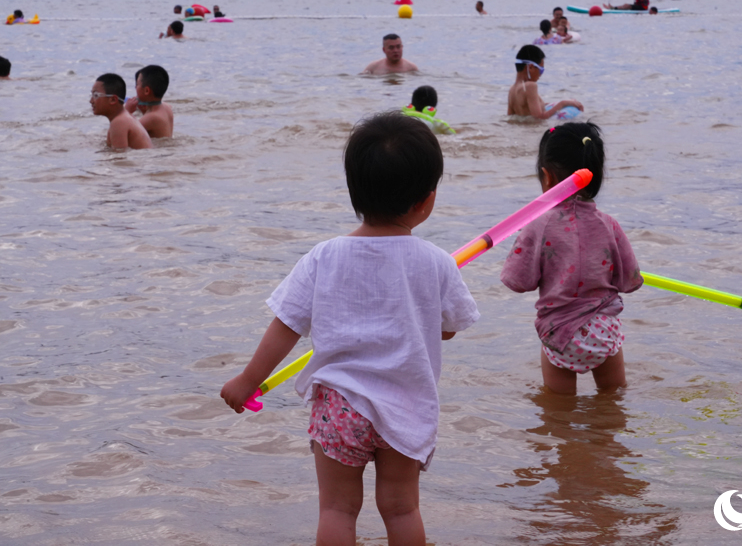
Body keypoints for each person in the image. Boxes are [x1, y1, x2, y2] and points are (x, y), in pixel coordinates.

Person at [221, 112, 480, 545]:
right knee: (402, 508)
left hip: (340, 406)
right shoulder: (436, 262)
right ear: (427, 199)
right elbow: (450, 328)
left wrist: (249, 380)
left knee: (337, 509)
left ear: (353, 190)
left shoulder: (324, 256)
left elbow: (286, 324)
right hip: (406, 407)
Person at [500, 122, 642, 394]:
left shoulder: (538, 225)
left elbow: (517, 281)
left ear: (547, 176)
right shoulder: (609, 225)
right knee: (613, 397)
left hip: (560, 333)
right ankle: (608, 422)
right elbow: (631, 281)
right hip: (603, 330)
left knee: (558, 407)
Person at [507, 45, 584, 120]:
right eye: (541, 70)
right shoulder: (530, 86)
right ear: (530, 67)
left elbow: (510, 117)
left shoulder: (512, 89)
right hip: (535, 128)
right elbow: (539, 117)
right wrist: (562, 103)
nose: (540, 74)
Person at [90, 73, 152, 150]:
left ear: (113, 100)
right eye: (92, 95)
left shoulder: (119, 122)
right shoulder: (124, 118)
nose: (91, 101)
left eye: (96, 95)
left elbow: (120, 156)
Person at [124, 65, 174, 139]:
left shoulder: (151, 118)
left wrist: (126, 112)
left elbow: (121, 134)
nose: (135, 87)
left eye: (137, 84)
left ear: (147, 91)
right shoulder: (167, 107)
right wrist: (144, 111)